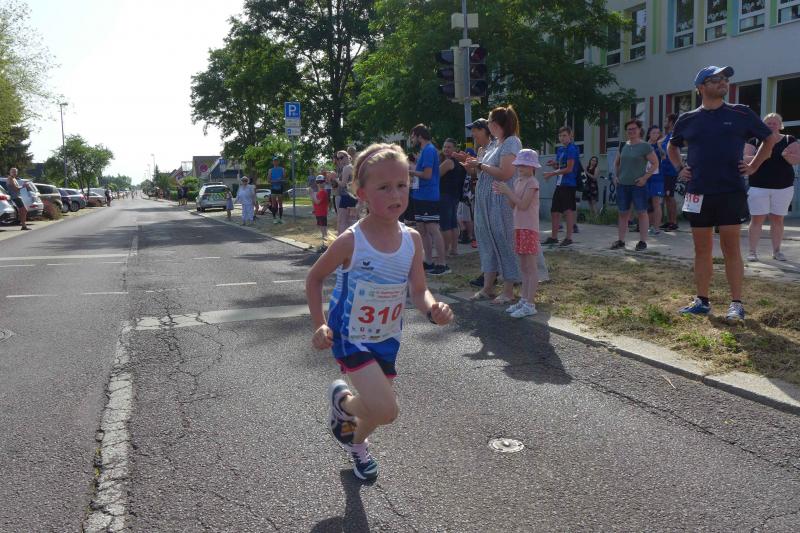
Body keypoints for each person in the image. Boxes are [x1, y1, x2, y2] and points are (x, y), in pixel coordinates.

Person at [305, 143, 454, 481]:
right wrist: (319, 325)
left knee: (376, 408)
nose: (395, 194)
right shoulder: (351, 240)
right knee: (386, 409)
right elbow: (314, 279)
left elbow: (418, 289)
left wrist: (432, 309)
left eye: (402, 185)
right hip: (350, 335)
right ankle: (345, 408)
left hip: (387, 337)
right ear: (362, 194)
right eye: (384, 187)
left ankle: (354, 437)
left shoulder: (412, 239)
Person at [668, 65, 780, 321]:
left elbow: (769, 139)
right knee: (701, 249)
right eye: (715, 79)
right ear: (701, 87)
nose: (723, 82)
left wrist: (754, 166)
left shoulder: (740, 113)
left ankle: (736, 304)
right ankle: (702, 301)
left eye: (725, 79)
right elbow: (671, 147)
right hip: (697, 193)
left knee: (731, 248)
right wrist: (679, 168)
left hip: (730, 191)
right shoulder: (688, 119)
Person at [463, 106, 522, 304]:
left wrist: (480, 165)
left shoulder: (511, 142)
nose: (487, 124)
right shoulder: (496, 143)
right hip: (485, 200)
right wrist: (474, 165)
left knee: (504, 241)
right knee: (486, 241)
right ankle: (488, 287)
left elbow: (505, 173)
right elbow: (486, 170)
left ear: (496, 124)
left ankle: (508, 289)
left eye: (489, 121)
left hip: (499, 201)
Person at [491, 149, 542, 318]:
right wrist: (504, 192)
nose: (520, 167)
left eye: (524, 164)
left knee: (530, 266)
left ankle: (530, 303)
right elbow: (513, 205)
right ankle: (524, 299)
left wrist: (508, 191)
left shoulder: (532, 182)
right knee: (523, 266)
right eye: (519, 164)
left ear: (532, 166)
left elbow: (523, 205)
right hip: (519, 226)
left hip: (529, 227)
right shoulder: (518, 181)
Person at [744, 113, 800, 262]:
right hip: (758, 186)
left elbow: (797, 159)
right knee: (757, 219)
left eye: (775, 123)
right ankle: (752, 252)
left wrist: (787, 156)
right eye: (768, 123)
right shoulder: (755, 140)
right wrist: (761, 155)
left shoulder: (789, 139)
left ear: (780, 125)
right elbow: (744, 158)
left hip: (783, 187)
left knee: (778, 220)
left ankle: (777, 252)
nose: (772, 125)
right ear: (763, 125)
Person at [611, 119, 659, 251]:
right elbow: (617, 163)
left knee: (642, 212)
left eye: (634, 129)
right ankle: (621, 241)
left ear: (639, 130)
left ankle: (642, 241)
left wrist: (645, 178)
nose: (631, 131)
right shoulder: (623, 145)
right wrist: (615, 176)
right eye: (629, 129)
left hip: (638, 185)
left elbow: (655, 163)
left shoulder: (645, 146)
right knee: (623, 213)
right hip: (622, 185)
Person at [409, 124, 449, 275]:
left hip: (428, 196)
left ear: (419, 136)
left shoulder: (429, 150)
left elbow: (427, 175)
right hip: (420, 195)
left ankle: (442, 263)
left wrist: (410, 171)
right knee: (422, 229)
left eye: (413, 136)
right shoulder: (425, 150)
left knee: (432, 228)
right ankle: (429, 261)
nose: (411, 139)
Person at [543, 126, 581, 247]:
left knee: (568, 211)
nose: (562, 138)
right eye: (560, 136)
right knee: (554, 211)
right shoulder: (560, 150)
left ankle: (569, 238)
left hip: (569, 184)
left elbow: (569, 169)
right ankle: (554, 237)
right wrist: (554, 164)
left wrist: (551, 174)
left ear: (570, 136)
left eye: (564, 135)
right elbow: (560, 166)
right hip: (559, 183)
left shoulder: (572, 149)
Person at [438, 138, 467, 257]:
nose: (446, 149)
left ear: (455, 149)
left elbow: (435, 175)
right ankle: (454, 249)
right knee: (453, 223)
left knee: (445, 225)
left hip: (445, 195)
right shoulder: (459, 162)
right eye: (444, 147)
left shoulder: (449, 162)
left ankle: (445, 250)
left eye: (449, 147)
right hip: (454, 196)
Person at [659, 113, 680, 231]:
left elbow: (674, 151)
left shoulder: (674, 135)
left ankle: (674, 222)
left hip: (671, 170)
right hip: (664, 170)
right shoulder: (667, 135)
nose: (664, 122)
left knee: (670, 196)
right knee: (666, 196)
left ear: (671, 122)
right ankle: (669, 221)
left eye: (666, 120)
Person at [646, 125, 665, 235]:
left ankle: (657, 228)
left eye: (658, 133)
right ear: (649, 133)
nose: (656, 135)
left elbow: (664, 157)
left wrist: (659, 146)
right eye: (654, 133)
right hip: (645, 177)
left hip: (657, 178)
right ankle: (648, 226)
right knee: (646, 204)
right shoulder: (644, 145)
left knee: (656, 203)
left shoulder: (659, 146)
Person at [457, 147, 477, 247]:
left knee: (468, 216)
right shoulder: (467, 167)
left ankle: (470, 235)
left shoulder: (472, 168)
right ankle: (469, 235)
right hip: (467, 194)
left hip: (469, 195)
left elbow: (472, 180)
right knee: (465, 216)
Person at [335, 151, 358, 234]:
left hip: (346, 196)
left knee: (342, 221)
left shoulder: (346, 168)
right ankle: (354, 239)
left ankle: (342, 239)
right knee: (352, 220)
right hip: (354, 196)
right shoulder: (353, 167)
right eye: (338, 158)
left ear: (347, 156)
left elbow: (343, 184)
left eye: (341, 157)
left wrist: (336, 179)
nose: (340, 160)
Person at [311, 174, 330, 252]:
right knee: (322, 229)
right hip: (319, 213)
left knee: (323, 230)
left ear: (324, 182)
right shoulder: (319, 192)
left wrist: (312, 194)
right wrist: (314, 210)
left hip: (322, 213)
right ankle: (325, 245)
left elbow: (317, 202)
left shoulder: (323, 192)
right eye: (318, 182)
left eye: (321, 182)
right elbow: (315, 203)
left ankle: (325, 246)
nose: (320, 183)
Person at [268, 156, 286, 224]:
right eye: (274, 161)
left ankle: (281, 218)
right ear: (273, 162)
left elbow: (284, 179)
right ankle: (274, 218)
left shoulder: (282, 169)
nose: (275, 162)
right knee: (273, 204)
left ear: (278, 162)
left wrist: (280, 180)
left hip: (280, 188)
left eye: (277, 161)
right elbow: (268, 180)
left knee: (280, 204)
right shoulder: (270, 170)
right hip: (273, 188)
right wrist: (275, 181)